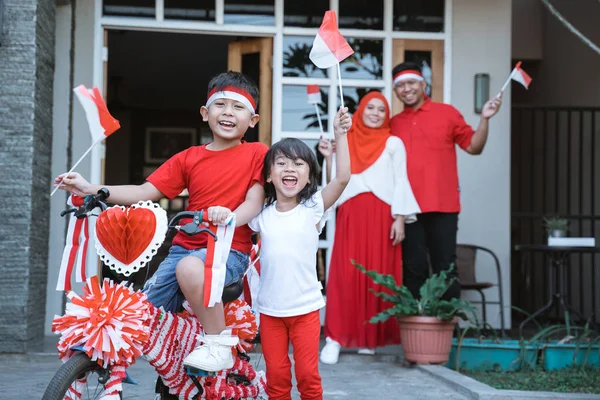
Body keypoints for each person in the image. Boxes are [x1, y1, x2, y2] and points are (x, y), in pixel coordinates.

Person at [53, 71, 268, 373]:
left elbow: (253, 203)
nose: (228, 113)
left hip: (228, 251)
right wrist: (92, 189)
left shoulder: (257, 153)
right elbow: (144, 191)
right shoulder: (189, 157)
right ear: (206, 114)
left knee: (190, 268)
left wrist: (229, 218)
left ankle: (219, 345)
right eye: (220, 105)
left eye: (238, 107)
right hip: (184, 248)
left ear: (253, 120)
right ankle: (116, 370)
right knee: (139, 311)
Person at [248, 107, 352, 400]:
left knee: (307, 376)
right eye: (281, 163)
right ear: (269, 175)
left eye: (298, 164)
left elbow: (343, 178)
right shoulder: (260, 215)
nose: (290, 169)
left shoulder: (313, 209)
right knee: (277, 378)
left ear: (309, 177)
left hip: (306, 309)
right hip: (269, 311)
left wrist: (340, 135)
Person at [319, 91, 420, 365]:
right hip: (352, 214)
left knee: (378, 276)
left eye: (381, 110)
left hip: (383, 216)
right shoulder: (347, 140)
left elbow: (401, 180)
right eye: (370, 108)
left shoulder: (393, 143)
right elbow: (337, 179)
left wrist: (400, 218)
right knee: (345, 275)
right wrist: (329, 157)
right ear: (361, 110)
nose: (375, 113)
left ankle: (369, 339)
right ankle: (335, 339)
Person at [390, 61, 502, 301]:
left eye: (411, 83)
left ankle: (447, 333)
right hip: (407, 209)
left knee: (445, 268)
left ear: (423, 84)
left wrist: (485, 119)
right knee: (413, 268)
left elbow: (474, 146)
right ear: (395, 91)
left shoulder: (447, 113)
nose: (406, 89)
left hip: (443, 204)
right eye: (400, 85)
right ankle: (415, 332)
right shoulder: (393, 123)